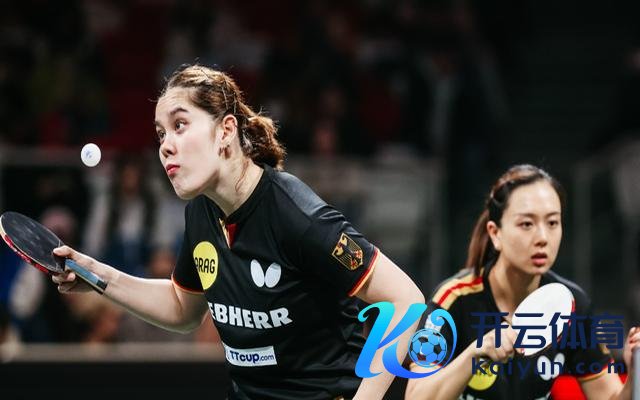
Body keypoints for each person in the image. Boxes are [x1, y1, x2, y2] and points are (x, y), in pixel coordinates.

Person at [51, 64, 424, 400]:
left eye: (179, 125)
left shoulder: (295, 215)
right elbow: (183, 309)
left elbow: (405, 300)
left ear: (226, 131)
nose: (165, 146)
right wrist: (97, 276)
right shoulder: (201, 213)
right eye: (161, 134)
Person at [405, 164, 640, 400]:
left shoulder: (573, 305)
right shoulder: (452, 301)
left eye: (552, 223)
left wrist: (634, 375)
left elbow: (608, 396)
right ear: (495, 233)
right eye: (526, 224)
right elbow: (416, 397)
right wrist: (473, 355)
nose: (542, 238)